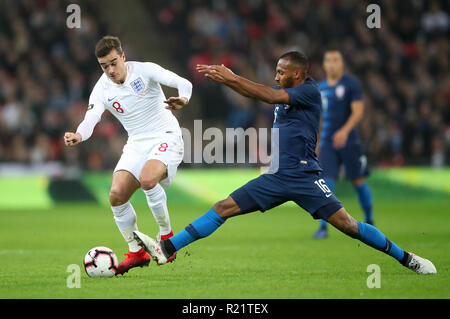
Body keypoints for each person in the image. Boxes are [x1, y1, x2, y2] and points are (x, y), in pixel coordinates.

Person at [133, 51, 436, 274]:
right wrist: (227, 81)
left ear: (298, 74)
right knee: (223, 208)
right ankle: (167, 248)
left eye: (281, 72)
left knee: (349, 226)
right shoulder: (289, 91)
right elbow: (261, 94)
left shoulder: (308, 91)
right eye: (276, 71)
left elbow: (268, 96)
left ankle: (406, 258)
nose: (276, 76)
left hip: (305, 177)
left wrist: (233, 77)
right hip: (276, 177)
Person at [64, 35, 192, 275]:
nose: (110, 70)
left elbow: (184, 82)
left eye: (113, 62)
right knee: (116, 195)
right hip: (136, 143)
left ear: (123, 57)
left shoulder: (145, 71)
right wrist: (79, 135)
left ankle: (167, 238)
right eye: (104, 66)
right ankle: (137, 252)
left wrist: (183, 99)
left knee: (147, 180)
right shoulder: (101, 89)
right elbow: (91, 119)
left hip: (166, 135)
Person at [313, 49, 374, 239]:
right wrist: (316, 142)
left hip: (350, 141)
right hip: (327, 143)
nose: (332, 64)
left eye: (336, 60)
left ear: (342, 63)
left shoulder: (351, 84)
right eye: (328, 60)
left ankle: (370, 221)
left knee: (358, 182)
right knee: (326, 184)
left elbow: (358, 112)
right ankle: (323, 228)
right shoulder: (320, 87)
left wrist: (345, 131)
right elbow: (318, 119)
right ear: (324, 64)